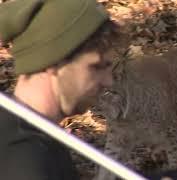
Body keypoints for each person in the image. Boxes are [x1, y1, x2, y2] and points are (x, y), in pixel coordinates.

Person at [0, 0, 119, 179]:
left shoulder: (33, 131)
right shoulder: (23, 155)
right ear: (51, 62)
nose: (108, 81)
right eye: (96, 67)